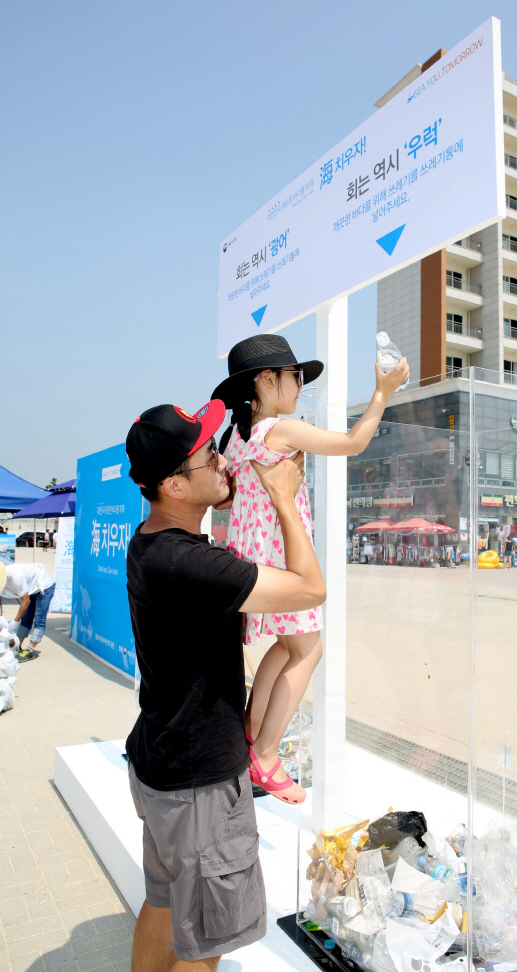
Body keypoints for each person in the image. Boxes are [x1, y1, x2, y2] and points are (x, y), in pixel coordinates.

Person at [124, 399, 325, 972]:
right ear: (173, 487)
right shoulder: (192, 567)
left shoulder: (152, 542)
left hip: (160, 766)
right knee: (203, 947)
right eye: (207, 453)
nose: (220, 458)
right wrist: (283, 497)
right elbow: (310, 590)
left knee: (162, 906)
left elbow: (217, 494)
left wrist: (239, 481)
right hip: (200, 790)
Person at [212, 333, 409, 804]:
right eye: (294, 377)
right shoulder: (278, 430)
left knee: (286, 647)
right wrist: (382, 392)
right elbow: (352, 442)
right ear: (266, 380)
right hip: (285, 555)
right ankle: (264, 754)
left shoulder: (237, 436)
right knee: (308, 651)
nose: (300, 386)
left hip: (256, 556)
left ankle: (251, 734)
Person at [0, 561, 56, 660]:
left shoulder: (16, 578)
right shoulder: (3, 579)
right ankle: (17, 646)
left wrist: (15, 621)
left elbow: (25, 601)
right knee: (26, 619)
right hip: (30, 588)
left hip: (44, 586)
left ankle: (30, 650)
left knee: (39, 619)